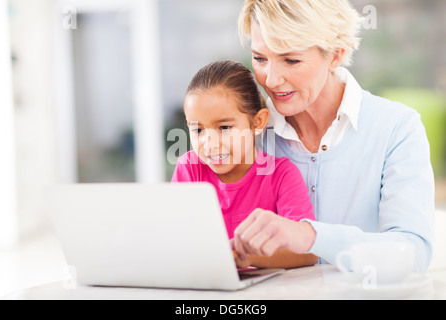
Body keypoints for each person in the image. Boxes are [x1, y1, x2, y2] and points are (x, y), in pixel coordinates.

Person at [232, 0, 435, 273]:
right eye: (260, 58)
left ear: (335, 55)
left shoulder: (396, 129)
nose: (271, 79)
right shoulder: (248, 134)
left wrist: (310, 236)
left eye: (291, 60)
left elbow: (413, 252)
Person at [172, 60, 317, 269]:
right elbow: (173, 238)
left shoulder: (281, 175)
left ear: (257, 122)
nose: (209, 143)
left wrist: (247, 259)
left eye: (224, 127)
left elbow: (308, 252)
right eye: (198, 130)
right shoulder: (190, 168)